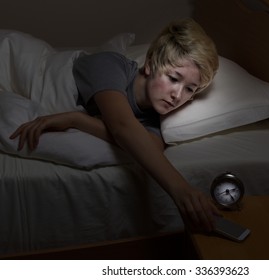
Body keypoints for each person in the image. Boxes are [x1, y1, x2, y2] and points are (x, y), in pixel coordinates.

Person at [10, 18, 221, 232]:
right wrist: (182, 190)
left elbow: (150, 148)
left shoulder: (152, 118)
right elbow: (121, 126)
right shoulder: (110, 64)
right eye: (174, 78)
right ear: (149, 64)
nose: (177, 95)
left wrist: (78, 120)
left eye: (190, 89)